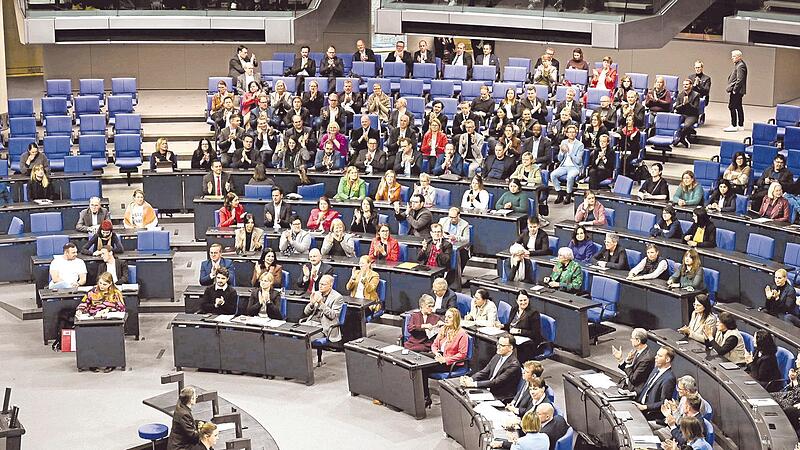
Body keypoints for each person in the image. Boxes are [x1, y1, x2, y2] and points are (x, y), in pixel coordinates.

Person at [424, 307, 469, 405]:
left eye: (449, 317)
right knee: (421, 357)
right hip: (440, 357)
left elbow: (462, 354)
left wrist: (446, 359)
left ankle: (426, 398)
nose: (446, 319)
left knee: (423, 368)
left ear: (455, 319)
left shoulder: (462, 334)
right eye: (446, 317)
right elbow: (434, 345)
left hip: (451, 363)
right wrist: (436, 353)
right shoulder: (443, 329)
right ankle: (423, 396)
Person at [460, 333, 521, 402]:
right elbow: (485, 372)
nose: (498, 347)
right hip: (489, 389)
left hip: (501, 396)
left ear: (510, 348)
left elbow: (496, 382)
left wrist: (473, 384)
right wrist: (471, 379)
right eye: (498, 344)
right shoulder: (497, 356)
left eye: (502, 345)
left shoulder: (513, 365)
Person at [633, 346, 677, 419]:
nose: (655, 357)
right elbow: (646, 387)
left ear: (667, 359)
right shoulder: (656, 369)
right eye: (657, 354)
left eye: (659, 356)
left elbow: (664, 402)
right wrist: (634, 393)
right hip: (639, 405)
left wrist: (645, 407)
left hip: (649, 413)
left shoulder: (669, 378)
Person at [301, 274, 344, 343]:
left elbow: (333, 315)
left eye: (323, 284)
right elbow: (306, 312)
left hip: (324, 327)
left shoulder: (337, 297)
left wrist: (321, 303)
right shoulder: (317, 293)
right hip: (311, 323)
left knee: (305, 339)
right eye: (319, 283)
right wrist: (311, 304)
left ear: (330, 285)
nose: (320, 286)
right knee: (296, 335)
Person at [504, 291, 543, 363]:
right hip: (514, 337)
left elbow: (535, 333)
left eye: (525, 300)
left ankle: (516, 366)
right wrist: (502, 326)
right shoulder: (514, 309)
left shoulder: (533, 313)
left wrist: (519, 331)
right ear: (517, 301)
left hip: (529, 342)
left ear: (528, 299)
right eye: (521, 300)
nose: (523, 302)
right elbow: (510, 325)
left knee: (514, 349)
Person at [613, 328, 655, 393]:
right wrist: (626, 361)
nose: (630, 340)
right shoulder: (639, 351)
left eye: (632, 338)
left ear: (638, 341)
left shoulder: (646, 359)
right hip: (627, 383)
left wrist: (621, 360)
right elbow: (631, 370)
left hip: (633, 390)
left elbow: (633, 379)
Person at [551, 125, 584, 205]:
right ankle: (560, 194)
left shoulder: (580, 145)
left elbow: (578, 161)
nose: (571, 134)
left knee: (570, 176)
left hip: (575, 167)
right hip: (564, 166)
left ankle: (568, 195)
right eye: (569, 132)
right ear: (566, 134)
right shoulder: (563, 142)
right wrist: (562, 152)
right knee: (553, 175)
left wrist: (569, 152)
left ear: (576, 134)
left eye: (573, 132)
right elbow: (559, 159)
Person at [724, 50, 748, 132]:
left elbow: (740, 80)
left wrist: (735, 90)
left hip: (737, 91)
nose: (732, 58)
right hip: (738, 91)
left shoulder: (740, 66)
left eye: (734, 56)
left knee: (731, 106)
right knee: (738, 106)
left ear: (739, 57)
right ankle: (740, 125)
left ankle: (733, 125)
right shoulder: (739, 65)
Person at [673, 78, 701, 148]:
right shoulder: (680, 94)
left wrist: (688, 104)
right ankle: (680, 138)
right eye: (684, 84)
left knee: (687, 126)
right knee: (674, 123)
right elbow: (676, 107)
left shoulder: (696, 95)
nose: (685, 86)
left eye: (687, 84)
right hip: (681, 114)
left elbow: (696, 109)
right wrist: (683, 104)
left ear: (691, 86)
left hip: (692, 115)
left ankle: (681, 138)